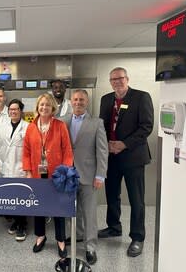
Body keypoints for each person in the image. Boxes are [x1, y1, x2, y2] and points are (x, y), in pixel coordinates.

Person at [98, 67, 154, 258]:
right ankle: (114, 227)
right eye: (113, 79)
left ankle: (137, 237)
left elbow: (146, 126)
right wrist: (106, 144)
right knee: (112, 194)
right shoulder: (106, 99)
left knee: (136, 199)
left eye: (120, 78)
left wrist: (123, 144)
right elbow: (102, 126)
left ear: (127, 78)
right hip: (111, 156)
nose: (116, 82)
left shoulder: (141, 97)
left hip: (133, 156)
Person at [22, 93, 73, 258]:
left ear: (53, 108)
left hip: (57, 174)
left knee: (58, 207)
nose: (44, 108)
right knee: (39, 206)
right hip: (37, 174)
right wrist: (29, 172)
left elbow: (67, 150)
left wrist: (64, 172)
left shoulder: (60, 125)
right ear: (37, 107)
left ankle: (60, 240)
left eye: (47, 105)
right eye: (41, 105)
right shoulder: (31, 127)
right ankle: (40, 236)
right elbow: (26, 151)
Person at [62, 90, 108, 265]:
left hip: (89, 175)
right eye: (75, 99)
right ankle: (77, 236)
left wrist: (100, 175)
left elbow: (102, 151)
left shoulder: (96, 123)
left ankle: (90, 247)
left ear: (87, 102)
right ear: (71, 102)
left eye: (82, 100)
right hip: (67, 175)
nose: (78, 102)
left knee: (89, 213)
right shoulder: (63, 121)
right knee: (71, 211)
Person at [0, 99, 29, 241]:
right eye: (11, 110)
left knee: (21, 198)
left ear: (21, 111)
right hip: (6, 167)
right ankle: (16, 221)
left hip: (20, 168)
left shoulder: (27, 127)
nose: (13, 112)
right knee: (11, 199)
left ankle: (22, 225)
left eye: (16, 109)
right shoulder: (2, 126)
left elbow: (30, 149)